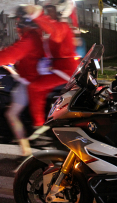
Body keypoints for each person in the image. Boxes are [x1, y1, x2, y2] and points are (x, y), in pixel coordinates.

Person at [23, 0, 79, 138]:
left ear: (60, 11)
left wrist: (37, 14)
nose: (48, 12)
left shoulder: (62, 26)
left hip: (64, 71)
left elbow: (56, 33)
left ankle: (39, 124)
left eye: (50, 9)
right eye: (47, 9)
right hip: (57, 68)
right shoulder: (57, 25)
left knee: (35, 87)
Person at [0, 7, 45, 155]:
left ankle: (24, 147)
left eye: (19, 20)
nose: (16, 25)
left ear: (26, 21)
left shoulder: (30, 38)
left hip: (29, 81)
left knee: (11, 114)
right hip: (30, 77)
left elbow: (11, 54)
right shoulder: (35, 35)